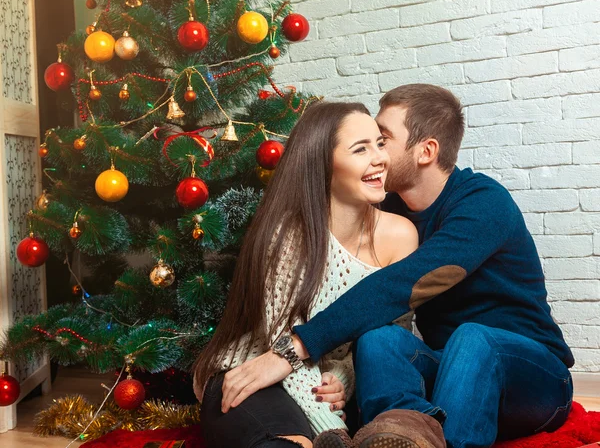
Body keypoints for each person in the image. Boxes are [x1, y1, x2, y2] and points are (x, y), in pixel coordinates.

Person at [221, 84, 574, 448]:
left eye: (383, 139)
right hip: (452, 371)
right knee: (380, 338)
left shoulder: (483, 204)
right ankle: (399, 431)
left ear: (426, 151)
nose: (376, 152)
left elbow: (402, 285)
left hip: (535, 380)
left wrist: (295, 347)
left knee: (473, 337)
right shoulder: (389, 211)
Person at [194, 101, 419, 448]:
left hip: (327, 391)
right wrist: (331, 429)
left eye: (379, 143)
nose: (380, 158)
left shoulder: (401, 236)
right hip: (254, 374)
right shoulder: (287, 235)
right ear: (323, 164)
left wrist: (343, 379)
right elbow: (279, 345)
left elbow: (388, 346)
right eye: (360, 149)